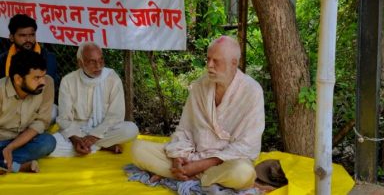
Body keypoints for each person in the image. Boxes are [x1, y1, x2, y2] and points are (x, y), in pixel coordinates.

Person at [130, 36, 265, 191]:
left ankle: (184, 175)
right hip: (192, 157)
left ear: (234, 63)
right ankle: (189, 174)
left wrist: (200, 165)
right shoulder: (200, 85)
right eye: (208, 59)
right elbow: (184, 129)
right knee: (137, 149)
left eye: (216, 61)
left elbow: (247, 145)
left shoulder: (252, 91)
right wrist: (178, 158)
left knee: (244, 174)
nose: (209, 66)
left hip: (226, 163)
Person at [50, 42, 139, 157]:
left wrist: (94, 136)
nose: (98, 66)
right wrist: (75, 139)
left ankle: (86, 147)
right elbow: (65, 118)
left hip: (103, 130)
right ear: (80, 63)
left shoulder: (112, 78)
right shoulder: (68, 80)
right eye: (92, 62)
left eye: (101, 60)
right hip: (77, 130)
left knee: (131, 130)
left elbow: (115, 116)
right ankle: (103, 145)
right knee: (50, 145)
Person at [0, 50, 56, 174]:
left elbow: (41, 122)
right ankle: (17, 166)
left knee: (48, 142)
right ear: (18, 79)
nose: (43, 82)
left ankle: (5, 163)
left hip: (24, 140)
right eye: (37, 78)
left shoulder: (47, 84)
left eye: (43, 75)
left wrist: (10, 148)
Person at [0, 14, 58, 85]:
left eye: (32, 35)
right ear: (11, 37)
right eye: (23, 35)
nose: (28, 39)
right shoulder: (2, 60)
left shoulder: (48, 58)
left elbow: (46, 87)